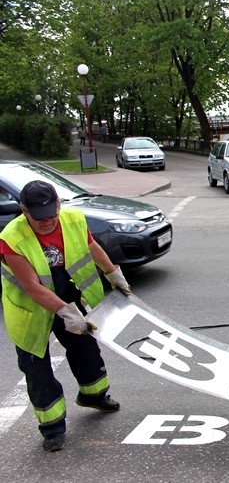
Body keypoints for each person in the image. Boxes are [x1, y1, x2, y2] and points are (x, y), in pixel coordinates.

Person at [0, 180, 132, 452]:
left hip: (67, 290)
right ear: (24, 211)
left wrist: (112, 273)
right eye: (39, 217)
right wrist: (64, 312)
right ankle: (52, 428)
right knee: (37, 369)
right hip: (30, 308)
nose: (47, 221)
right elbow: (32, 287)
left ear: (59, 204)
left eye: (51, 214)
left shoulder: (73, 219)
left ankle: (94, 395)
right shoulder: (11, 239)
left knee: (85, 347)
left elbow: (91, 246)